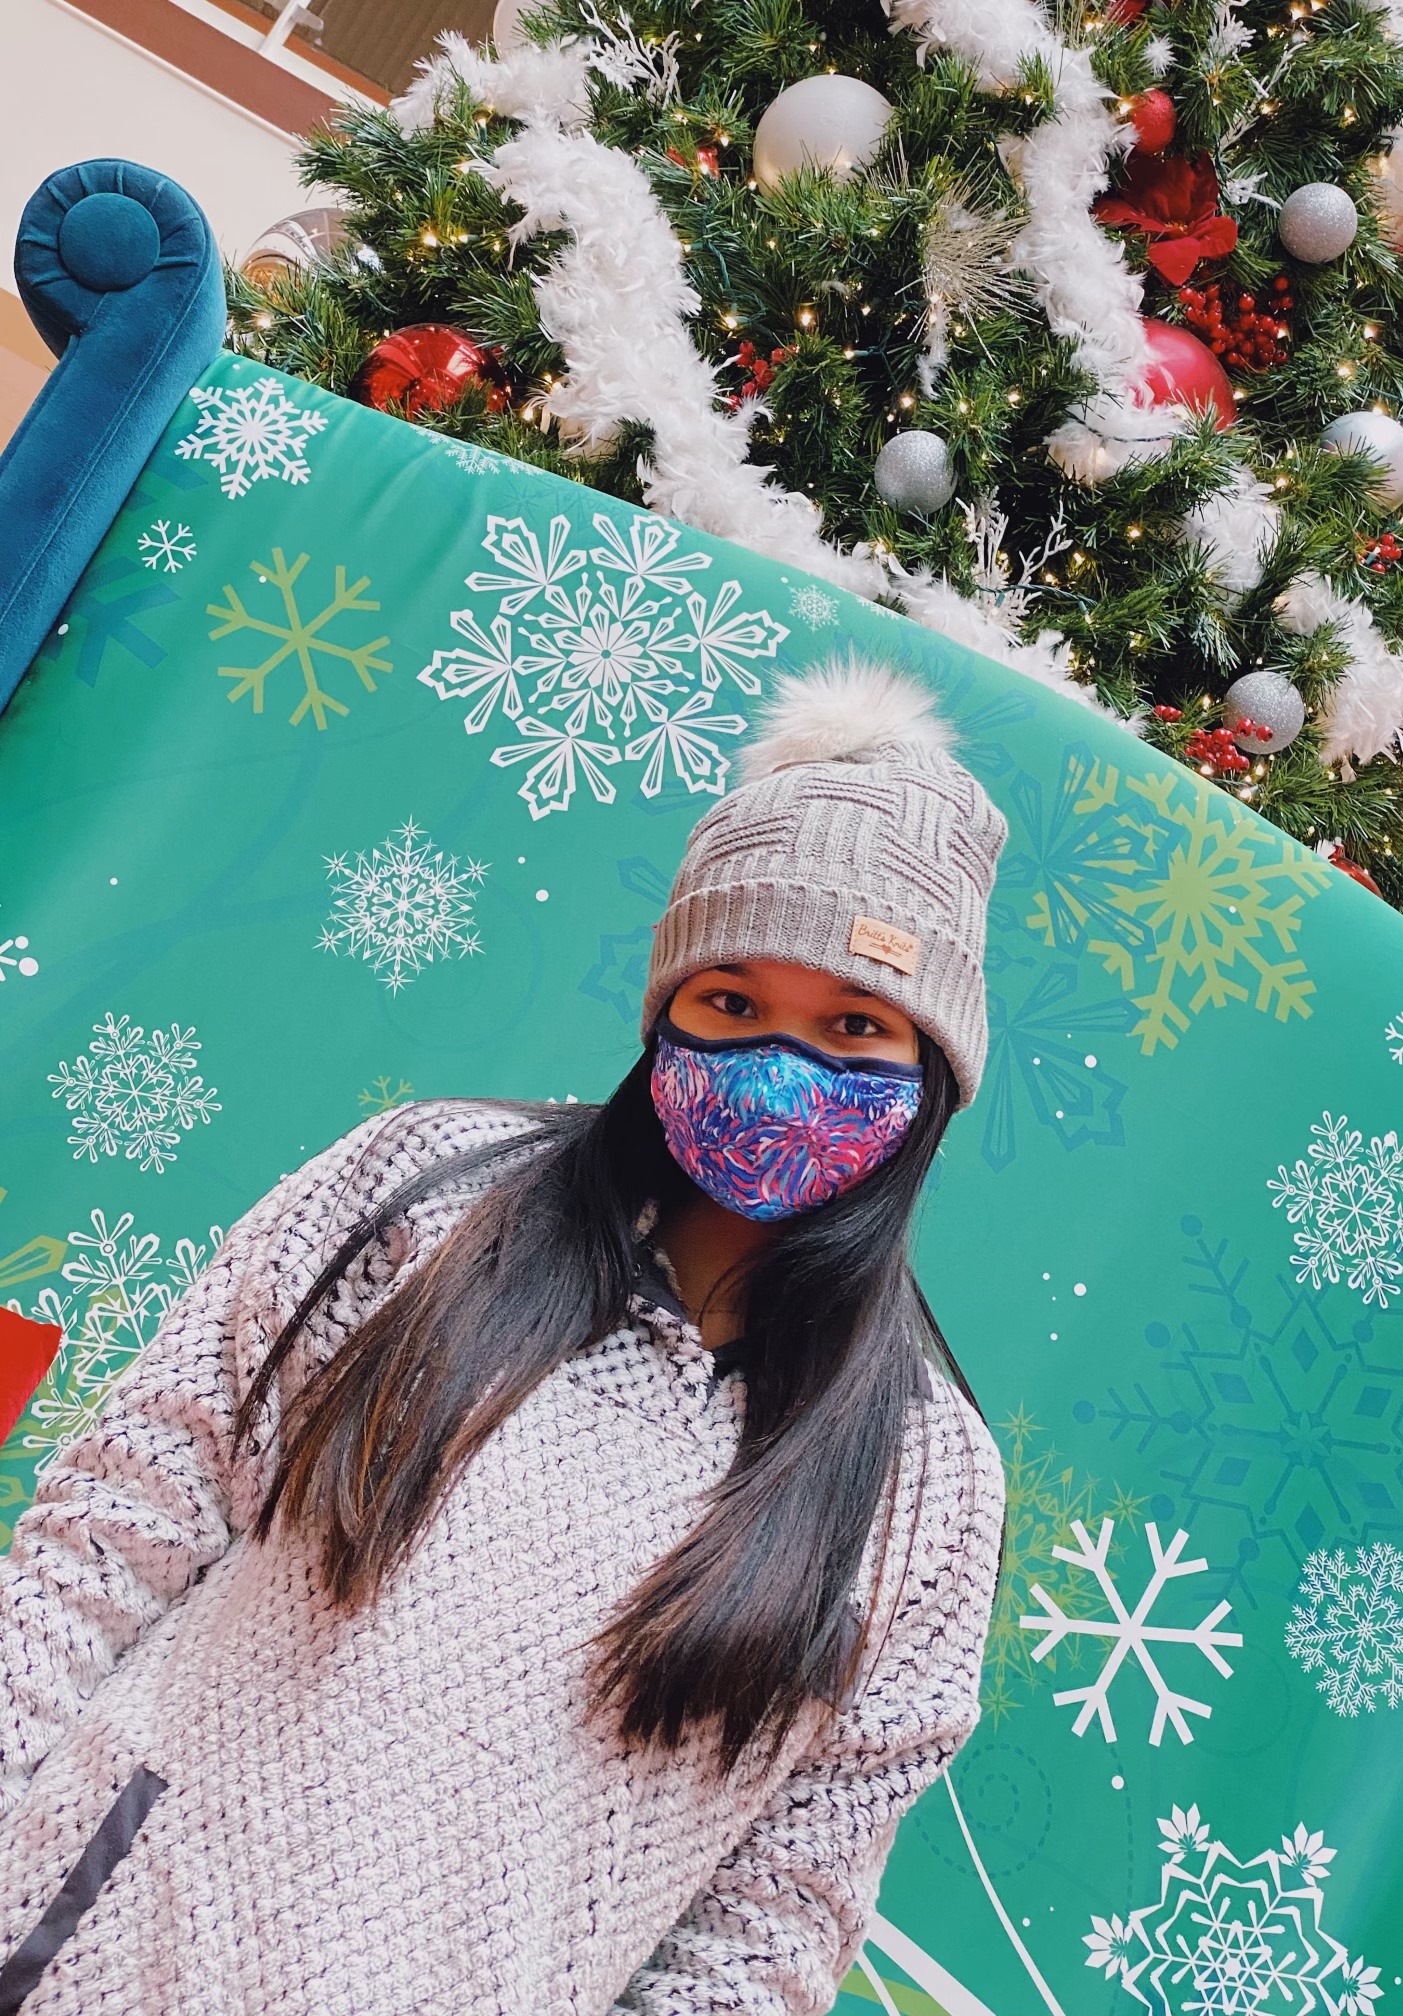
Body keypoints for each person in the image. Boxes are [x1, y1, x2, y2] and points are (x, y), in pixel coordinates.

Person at [0, 659, 1009, 2016]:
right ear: (665, 1011)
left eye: (853, 1024)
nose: (780, 1069)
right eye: (731, 1003)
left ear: (932, 1067)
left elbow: (774, 1923)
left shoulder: (929, 1488)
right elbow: (114, 1527)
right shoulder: (425, 1193)